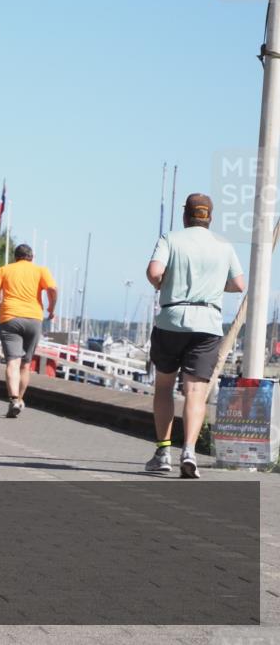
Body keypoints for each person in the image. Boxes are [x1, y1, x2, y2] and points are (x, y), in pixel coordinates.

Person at [144, 194, 245, 478]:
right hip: (207, 324)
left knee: (164, 387)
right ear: (210, 217)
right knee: (196, 392)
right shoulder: (223, 245)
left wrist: (163, 283)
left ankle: (163, 452)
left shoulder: (171, 238)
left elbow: (154, 272)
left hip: (172, 320)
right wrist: (212, 287)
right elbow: (239, 283)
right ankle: (189, 451)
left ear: (185, 215)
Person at [0, 244, 58, 418]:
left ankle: (14, 400)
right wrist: (51, 308)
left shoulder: (4, 270)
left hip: (10, 318)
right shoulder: (41, 270)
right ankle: (19, 398)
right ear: (32, 257)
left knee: (13, 362)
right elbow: (52, 289)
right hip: (34, 319)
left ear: (15, 257)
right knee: (26, 364)